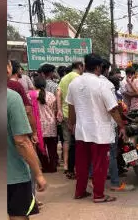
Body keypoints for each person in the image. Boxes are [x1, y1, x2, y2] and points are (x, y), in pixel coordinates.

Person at [66, 53, 127, 203]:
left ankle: (79, 192)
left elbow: (71, 107)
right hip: (99, 132)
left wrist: (72, 124)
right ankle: (98, 195)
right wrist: (122, 126)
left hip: (81, 131)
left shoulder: (74, 83)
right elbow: (113, 109)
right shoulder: (101, 84)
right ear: (99, 67)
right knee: (100, 164)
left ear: (85, 65)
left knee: (82, 165)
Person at [7, 60, 47, 219]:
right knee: (18, 215)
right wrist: (38, 173)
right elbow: (21, 141)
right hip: (13, 175)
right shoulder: (11, 97)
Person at [58, 61, 84, 180]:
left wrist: (59, 110)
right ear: (79, 67)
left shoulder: (63, 79)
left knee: (67, 141)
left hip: (64, 112)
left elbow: (58, 94)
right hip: (76, 113)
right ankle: (76, 168)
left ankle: (66, 165)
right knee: (77, 142)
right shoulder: (79, 78)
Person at [30, 76, 59, 173]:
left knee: (40, 148)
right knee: (52, 148)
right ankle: (53, 167)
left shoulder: (30, 95)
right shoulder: (51, 95)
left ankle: (45, 166)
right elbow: (54, 109)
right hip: (51, 125)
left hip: (38, 126)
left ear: (34, 84)